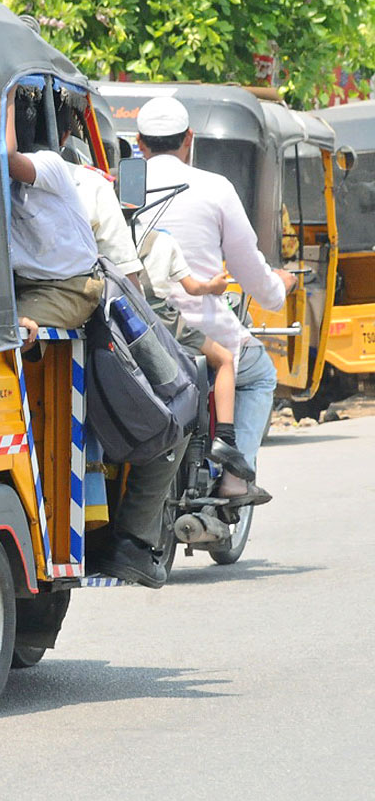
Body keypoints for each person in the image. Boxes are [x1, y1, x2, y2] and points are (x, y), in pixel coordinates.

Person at [134, 96, 295, 504]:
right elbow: (249, 269)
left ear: (139, 143)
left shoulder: (119, 186)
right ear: (189, 139)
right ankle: (236, 477)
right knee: (260, 373)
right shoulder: (214, 187)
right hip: (197, 328)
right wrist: (280, 288)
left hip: (131, 328)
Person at [138, 227, 254, 480]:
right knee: (224, 359)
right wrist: (215, 286)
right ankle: (225, 437)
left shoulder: (105, 235)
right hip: (161, 321)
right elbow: (192, 288)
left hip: (124, 319)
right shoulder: (164, 240)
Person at [5, 87, 103, 329]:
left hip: (68, 289)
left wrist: (6, 93)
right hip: (23, 286)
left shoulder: (51, 165)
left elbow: (8, 157)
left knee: (7, 331)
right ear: (64, 137)